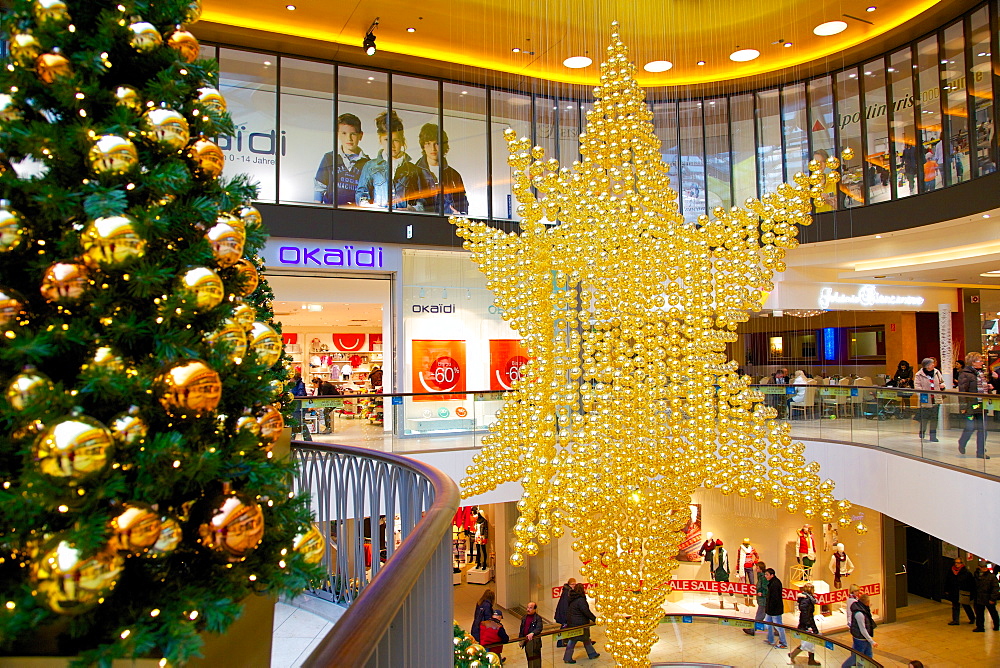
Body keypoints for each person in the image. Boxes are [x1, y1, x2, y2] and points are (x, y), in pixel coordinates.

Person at [356, 110, 420, 209]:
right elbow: (361, 195)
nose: (392, 145)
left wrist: (412, 209)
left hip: (404, 221)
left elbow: (421, 200)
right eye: (387, 140)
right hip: (379, 220)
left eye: (396, 140)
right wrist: (371, 207)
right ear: (380, 140)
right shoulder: (370, 166)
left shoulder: (412, 170)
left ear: (402, 141)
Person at [314, 112, 369, 206]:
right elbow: (319, 187)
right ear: (338, 135)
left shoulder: (368, 163)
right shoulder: (329, 158)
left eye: (353, 134)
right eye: (344, 133)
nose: (349, 138)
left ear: (361, 135)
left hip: (356, 213)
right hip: (332, 211)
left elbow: (368, 192)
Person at [413, 123, 469, 215]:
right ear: (423, 146)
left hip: (448, 225)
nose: (433, 148)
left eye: (437, 144)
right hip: (421, 224)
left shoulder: (454, 175)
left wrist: (460, 214)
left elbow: (463, 203)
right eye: (428, 143)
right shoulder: (413, 173)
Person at [957, 351, 993, 459]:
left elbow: (984, 388)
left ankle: (980, 452)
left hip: (983, 404)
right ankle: (962, 442)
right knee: (970, 427)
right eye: (980, 360)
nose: (982, 362)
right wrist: (963, 407)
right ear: (973, 362)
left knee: (983, 428)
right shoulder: (965, 374)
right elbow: (962, 391)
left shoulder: (981, 373)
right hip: (972, 405)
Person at [563, 583, 599, 663]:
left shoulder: (572, 598)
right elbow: (586, 612)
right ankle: (568, 658)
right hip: (581, 624)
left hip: (572, 623)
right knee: (576, 640)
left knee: (581, 639)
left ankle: (592, 653)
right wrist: (594, 619)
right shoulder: (581, 600)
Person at [841, 592, 877, 668]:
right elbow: (862, 629)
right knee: (857, 657)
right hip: (860, 640)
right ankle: (845, 666)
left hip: (864, 639)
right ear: (866, 602)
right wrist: (871, 641)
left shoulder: (863, 609)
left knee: (868, 655)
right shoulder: (859, 613)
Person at [788, 582, 820, 665]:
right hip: (807, 624)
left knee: (809, 642)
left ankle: (810, 659)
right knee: (807, 643)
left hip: (807, 623)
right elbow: (806, 614)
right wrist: (810, 626)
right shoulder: (807, 600)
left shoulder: (807, 599)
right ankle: (793, 655)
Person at [913, 358, 944, 442]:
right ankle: (922, 431)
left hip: (936, 399)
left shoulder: (937, 372)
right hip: (925, 400)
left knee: (934, 418)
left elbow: (941, 382)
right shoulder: (919, 375)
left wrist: (942, 386)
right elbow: (917, 387)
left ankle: (933, 435)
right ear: (926, 366)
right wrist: (922, 395)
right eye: (931, 364)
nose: (933, 365)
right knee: (925, 418)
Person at [944, 557, 976, 626]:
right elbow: (948, 581)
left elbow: (971, 583)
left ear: (962, 563)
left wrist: (971, 593)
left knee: (966, 606)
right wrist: (946, 589)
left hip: (963, 591)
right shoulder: (951, 571)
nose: (956, 564)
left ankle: (972, 618)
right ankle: (955, 620)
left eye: (958, 563)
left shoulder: (966, 572)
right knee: (955, 606)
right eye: (955, 562)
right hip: (954, 591)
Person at [763, 568, 787, 648]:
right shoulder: (772, 583)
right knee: (768, 624)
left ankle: (783, 643)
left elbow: (775, 599)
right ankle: (770, 639)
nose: (765, 576)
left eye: (767, 574)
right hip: (770, 610)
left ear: (772, 575)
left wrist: (771, 609)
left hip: (775, 610)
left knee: (778, 626)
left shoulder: (775, 584)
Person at [972, 562, 1000, 632]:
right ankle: (980, 627)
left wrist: (993, 598)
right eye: (982, 567)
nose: (984, 568)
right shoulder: (976, 576)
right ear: (979, 567)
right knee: (979, 613)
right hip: (979, 597)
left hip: (988, 597)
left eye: (985, 567)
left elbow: (995, 588)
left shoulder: (991, 576)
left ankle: (996, 625)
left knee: (993, 612)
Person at [743, 561, 768, 636]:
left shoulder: (763, 578)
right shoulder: (760, 576)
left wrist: (762, 593)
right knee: (769, 616)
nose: (755, 569)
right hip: (762, 600)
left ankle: (753, 629)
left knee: (759, 616)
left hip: (763, 600)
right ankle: (778, 630)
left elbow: (765, 588)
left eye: (757, 568)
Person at [519, 601, 543, 668]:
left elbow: (539, 628)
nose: (528, 609)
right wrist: (520, 639)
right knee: (529, 658)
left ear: (535, 609)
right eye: (528, 607)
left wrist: (532, 633)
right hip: (526, 642)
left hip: (534, 642)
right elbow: (522, 629)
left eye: (530, 608)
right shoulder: (524, 618)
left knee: (536, 658)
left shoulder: (538, 618)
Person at [554, 577, 577, 646]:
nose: (574, 586)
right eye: (572, 584)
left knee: (565, 627)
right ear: (569, 584)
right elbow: (565, 605)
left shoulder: (567, 591)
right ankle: (560, 642)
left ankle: (562, 642)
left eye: (575, 584)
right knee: (564, 627)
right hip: (565, 614)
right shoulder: (568, 592)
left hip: (564, 613)